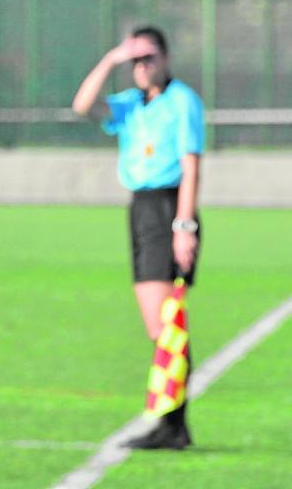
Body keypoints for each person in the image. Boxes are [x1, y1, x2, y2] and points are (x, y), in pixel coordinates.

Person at [71, 26, 203, 450]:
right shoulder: (132, 104)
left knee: (165, 322)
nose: (142, 67)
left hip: (167, 209)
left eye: (148, 58)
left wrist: (184, 225)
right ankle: (173, 423)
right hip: (141, 209)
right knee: (158, 325)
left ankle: (173, 426)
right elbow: (82, 106)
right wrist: (111, 58)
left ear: (165, 58)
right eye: (135, 61)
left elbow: (191, 164)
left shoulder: (182, 101)